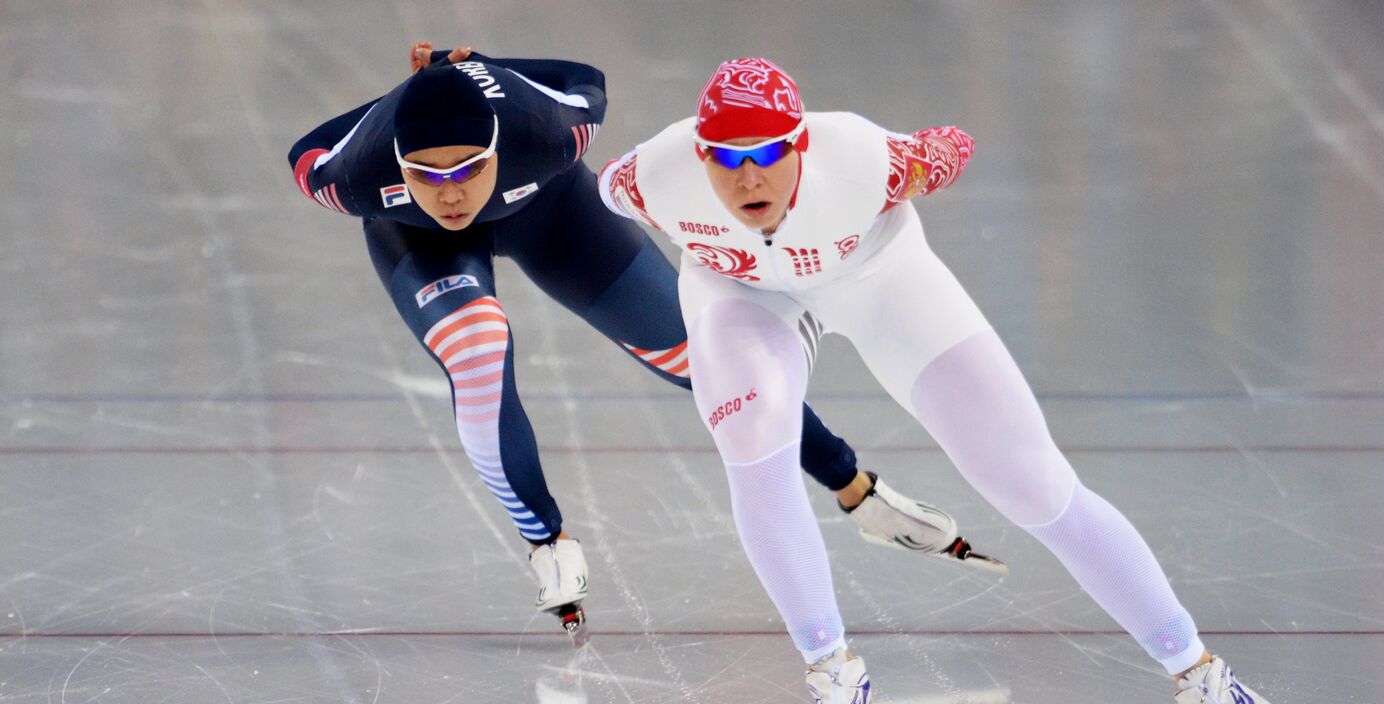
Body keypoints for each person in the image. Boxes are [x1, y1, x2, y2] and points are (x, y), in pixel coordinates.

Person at [598, 58, 1276, 704]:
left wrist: (937, 153)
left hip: (879, 277)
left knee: (1031, 482)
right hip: (744, 298)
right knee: (751, 433)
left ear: (800, 144)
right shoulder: (649, 178)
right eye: (727, 160)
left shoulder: (864, 161)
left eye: (769, 153)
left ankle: (1196, 669)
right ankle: (830, 665)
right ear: (699, 155)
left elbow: (953, 146)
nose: (748, 179)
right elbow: (590, 175)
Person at [287, 44, 1001, 633]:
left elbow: (584, 84)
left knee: (704, 357)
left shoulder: (543, 130)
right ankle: (546, 540)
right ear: (396, 167)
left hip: (551, 211)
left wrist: (476, 68)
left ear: (500, 148)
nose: (450, 193)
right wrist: (395, 109)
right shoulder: (354, 177)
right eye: (427, 175)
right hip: (419, 245)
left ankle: (857, 490)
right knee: (476, 349)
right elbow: (306, 151)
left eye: (469, 168)